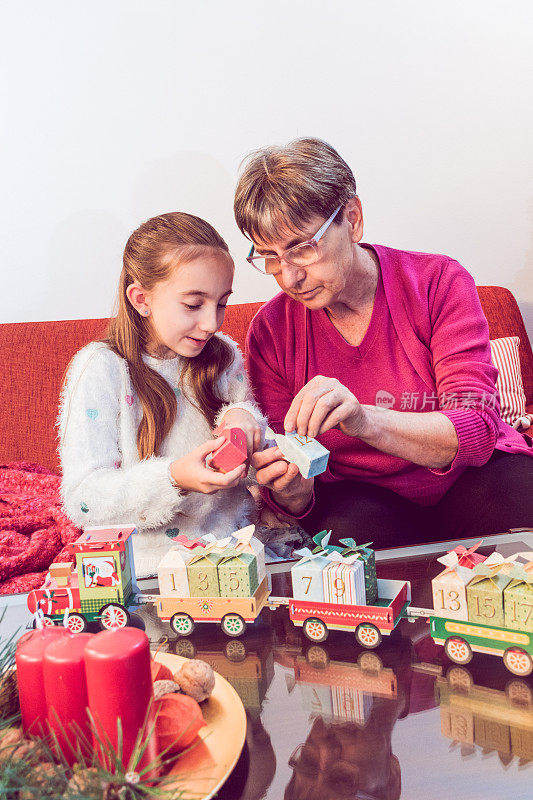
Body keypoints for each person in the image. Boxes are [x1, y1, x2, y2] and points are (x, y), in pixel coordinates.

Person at [235, 138, 533, 547]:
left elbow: (476, 431)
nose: (288, 278)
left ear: (353, 219)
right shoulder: (270, 331)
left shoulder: (437, 283)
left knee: (520, 505)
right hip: (363, 499)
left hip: (474, 477)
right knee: (348, 544)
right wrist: (290, 489)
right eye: (269, 256)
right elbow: (296, 495)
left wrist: (364, 420)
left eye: (302, 248)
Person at [59, 212, 266, 576]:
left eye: (221, 303)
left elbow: (249, 472)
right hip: (146, 569)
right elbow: (84, 501)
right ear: (141, 299)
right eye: (193, 304)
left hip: (233, 556)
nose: (212, 324)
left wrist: (249, 423)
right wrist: (173, 478)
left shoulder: (224, 357)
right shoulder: (101, 369)